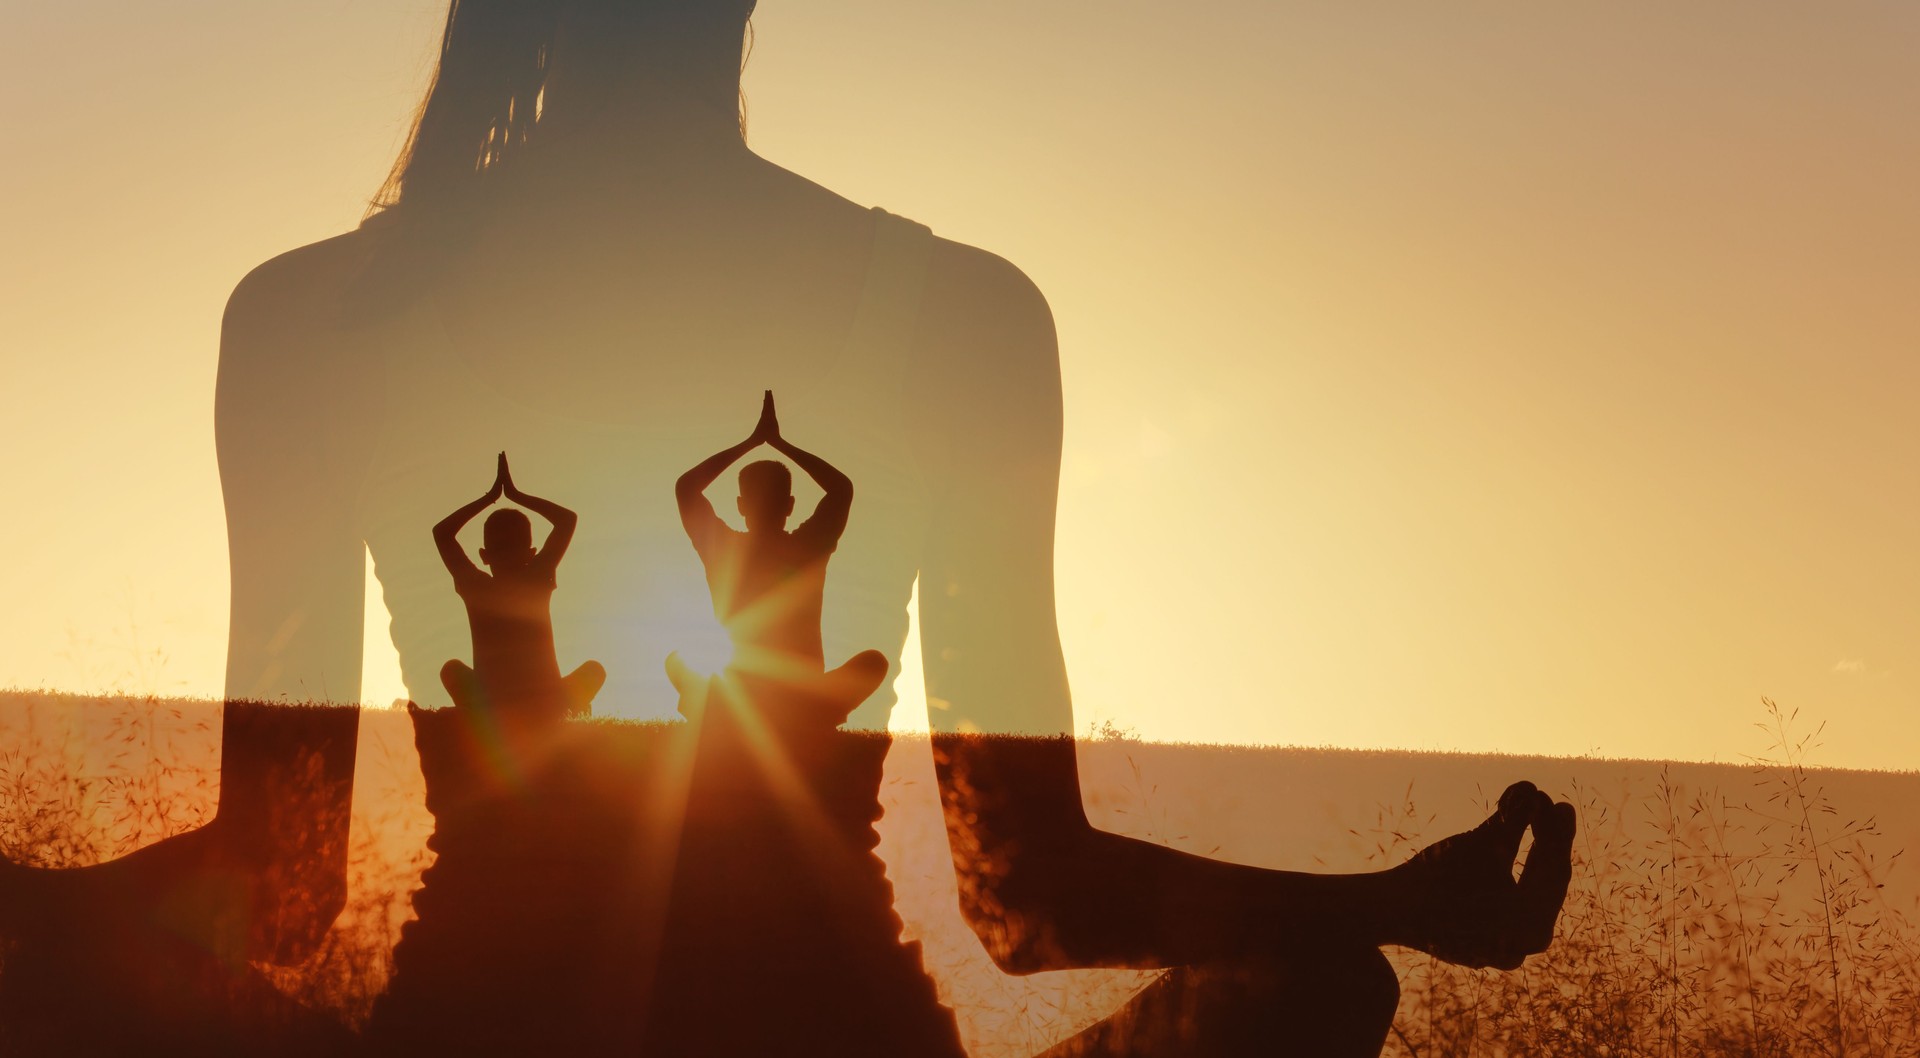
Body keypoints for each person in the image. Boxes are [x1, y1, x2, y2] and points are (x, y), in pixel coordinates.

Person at [8, 2, 1575, 1054]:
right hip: (843, 1028)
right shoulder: (963, 313)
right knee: (1317, 986)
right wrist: (1388, 902)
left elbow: (277, 896)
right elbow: (1028, 897)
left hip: (472, 1024)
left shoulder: (311, 319)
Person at [670, 391, 888, 725]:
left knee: (678, 662)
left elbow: (687, 487)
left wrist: (753, 442)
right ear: (790, 505)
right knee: (874, 663)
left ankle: (723, 713)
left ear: (742, 505)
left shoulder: (722, 547)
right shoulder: (810, 545)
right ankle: (807, 715)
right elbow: (840, 489)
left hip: (748, 693)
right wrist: (777, 442)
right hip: (798, 695)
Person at [433, 452, 604, 722]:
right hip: (545, 703)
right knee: (594, 670)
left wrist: (490, 497)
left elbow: (442, 533)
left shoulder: (477, 586)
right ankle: (568, 712)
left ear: (483, 555)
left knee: (450, 670)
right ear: (531, 552)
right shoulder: (536, 578)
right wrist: (513, 494)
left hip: (498, 703)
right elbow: (566, 520)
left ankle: (476, 714)